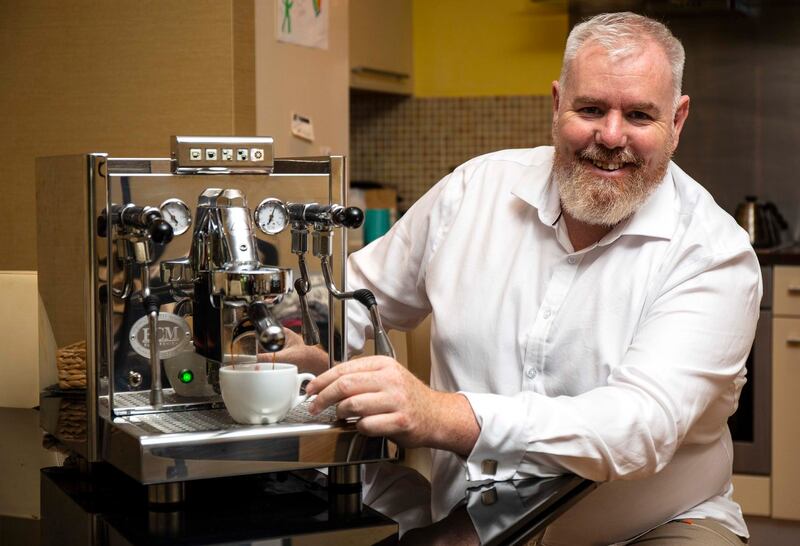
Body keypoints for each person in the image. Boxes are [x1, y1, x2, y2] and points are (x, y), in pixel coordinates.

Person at [283, 11, 761, 545]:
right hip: (466, 520)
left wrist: (445, 416)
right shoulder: (474, 191)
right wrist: (303, 337)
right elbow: (356, 298)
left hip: (647, 525)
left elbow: (636, 427)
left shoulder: (714, 253)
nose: (610, 135)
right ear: (557, 105)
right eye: (591, 109)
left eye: (640, 115)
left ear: (677, 120)